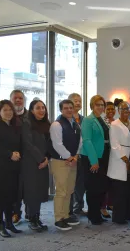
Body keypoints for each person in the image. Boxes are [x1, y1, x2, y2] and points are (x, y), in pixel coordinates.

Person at [49, 99, 82, 231]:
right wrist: (69, 157)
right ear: (61, 110)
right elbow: (57, 144)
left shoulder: (75, 124)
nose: (69, 110)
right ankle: (58, 219)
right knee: (61, 191)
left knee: (69, 190)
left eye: (71, 107)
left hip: (72, 161)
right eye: (66, 108)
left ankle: (66, 215)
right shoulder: (56, 125)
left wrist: (76, 156)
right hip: (61, 162)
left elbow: (81, 141)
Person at [0, 100, 22, 237]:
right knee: (0, 197)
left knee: (11, 196)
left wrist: (17, 153)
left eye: (10, 110)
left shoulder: (14, 126)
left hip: (14, 167)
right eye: (5, 110)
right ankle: (0, 225)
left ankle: (9, 223)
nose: (8, 112)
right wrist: (10, 154)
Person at [80, 95, 110, 225]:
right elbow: (87, 141)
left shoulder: (102, 119)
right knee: (93, 188)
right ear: (92, 106)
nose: (100, 107)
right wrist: (94, 161)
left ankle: (97, 212)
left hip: (103, 156)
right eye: (97, 105)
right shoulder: (88, 120)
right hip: (92, 158)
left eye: (102, 105)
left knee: (101, 187)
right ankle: (93, 215)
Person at [22, 100, 51, 232]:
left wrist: (47, 159)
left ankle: (36, 217)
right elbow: (28, 144)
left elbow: (51, 144)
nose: (41, 110)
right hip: (31, 163)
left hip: (43, 162)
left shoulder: (47, 124)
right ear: (31, 110)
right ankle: (32, 218)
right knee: (32, 191)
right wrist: (40, 159)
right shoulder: (27, 123)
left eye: (43, 108)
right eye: (38, 108)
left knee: (39, 190)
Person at [107, 100, 130, 224]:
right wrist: (125, 160)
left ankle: (127, 215)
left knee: (126, 191)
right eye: (123, 109)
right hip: (119, 161)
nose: (126, 111)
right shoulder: (115, 124)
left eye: (128, 109)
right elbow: (115, 145)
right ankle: (118, 218)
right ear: (118, 111)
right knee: (118, 191)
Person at [10, 90, 28, 225]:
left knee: (29, 188)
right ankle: (15, 213)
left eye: (20, 98)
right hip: (12, 160)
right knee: (14, 189)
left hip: (29, 159)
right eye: (15, 98)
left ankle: (31, 213)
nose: (18, 100)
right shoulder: (5, 117)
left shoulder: (31, 116)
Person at [68, 93, 86, 216]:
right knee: (70, 184)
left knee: (81, 183)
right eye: (75, 101)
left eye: (80, 101)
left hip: (83, 156)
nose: (78, 103)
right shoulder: (66, 119)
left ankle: (79, 206)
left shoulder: (84, 119)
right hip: (70, 156)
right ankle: (69, 210)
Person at [101, 101, 116, 219]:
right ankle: (103, 207)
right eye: (108, 109)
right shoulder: (102, 122)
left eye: (112, 109)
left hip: (115, 155)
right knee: (104, 182)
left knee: (112, 181)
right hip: (105, 153)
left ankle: (111, 203)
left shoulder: (117, 122)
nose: (110, 111)